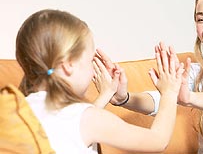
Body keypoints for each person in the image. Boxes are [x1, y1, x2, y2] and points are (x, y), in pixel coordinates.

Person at [15, 9, 185, 154]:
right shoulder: (88, 118)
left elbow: (71, 127)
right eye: (90, 60)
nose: (91, 69)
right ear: (68, 66)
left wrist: (106, 93)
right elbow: (157, 141)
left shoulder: (19, 109)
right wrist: (169, 92)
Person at [102, 0, 203, 153]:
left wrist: (190, 98)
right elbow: (161, 99)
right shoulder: (194, 72)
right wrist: (124, 98)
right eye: (201, 19)